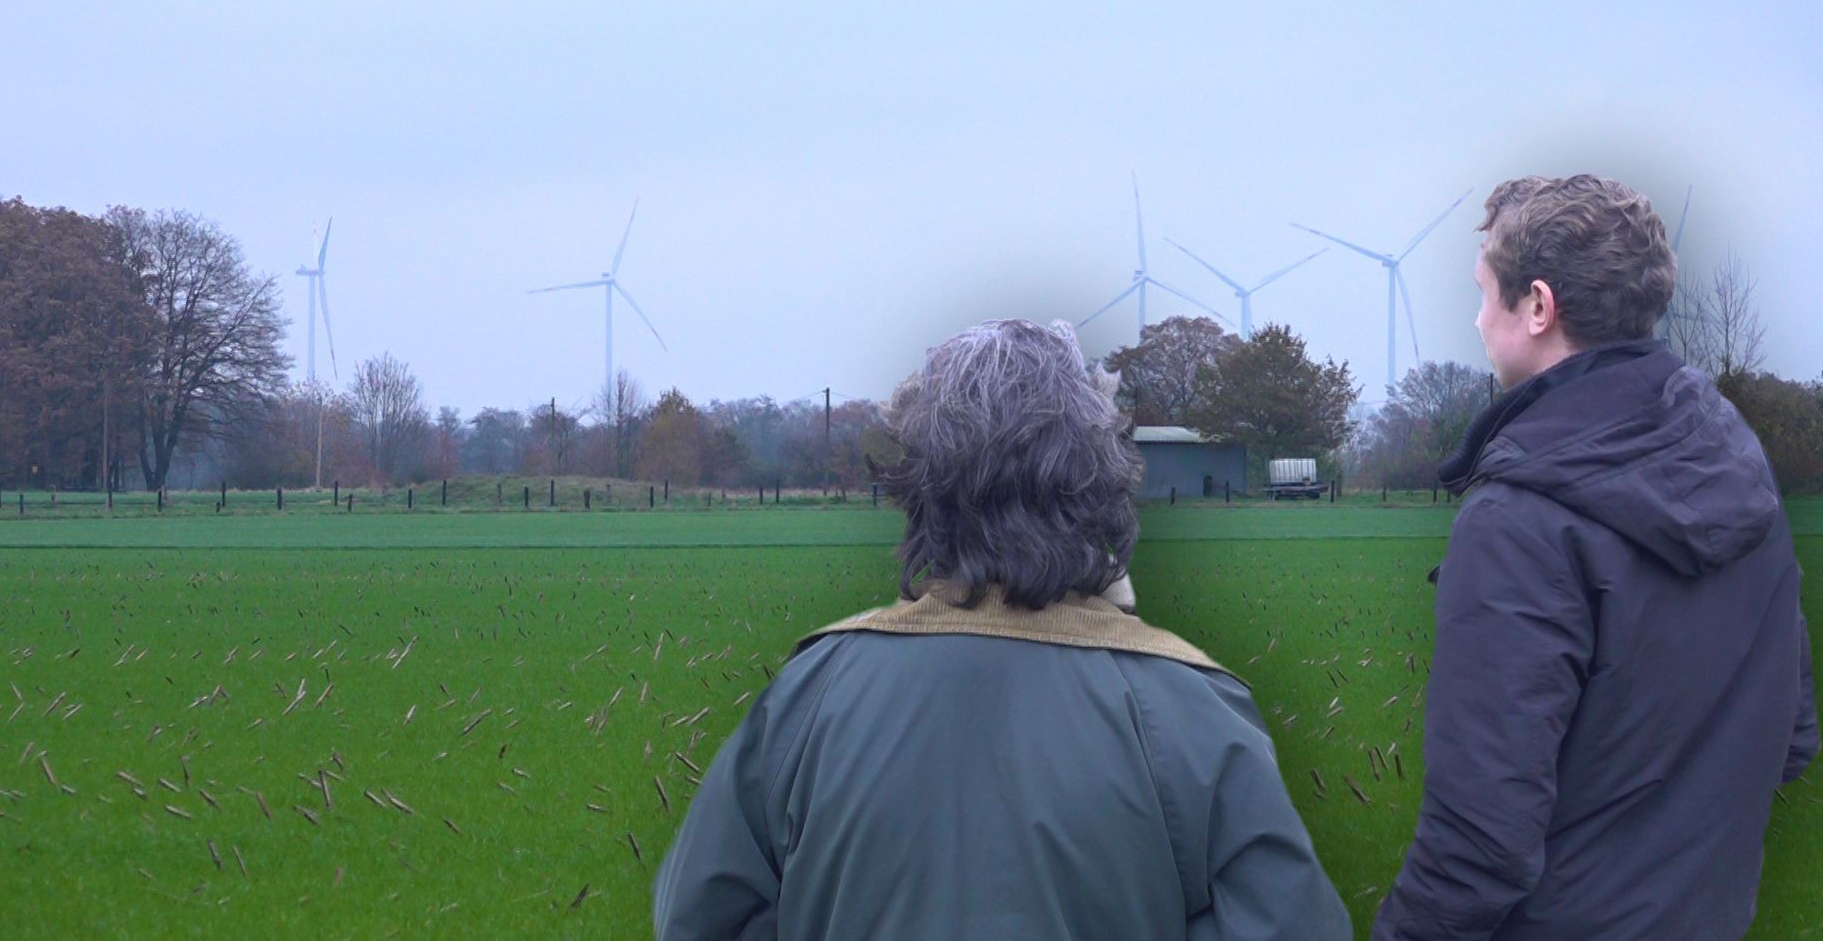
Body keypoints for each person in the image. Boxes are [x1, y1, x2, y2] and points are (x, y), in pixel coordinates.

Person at [655, 318, 1349, 939]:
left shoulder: (808, 699)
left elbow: (701, 914)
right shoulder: (1193, 710)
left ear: (920, 492)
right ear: (1101, 484)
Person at [1374, 175, 1819, 940]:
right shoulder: (1738, 470)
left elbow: (1476, 844)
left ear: (1538, 307)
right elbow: (1792, 738)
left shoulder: (1520, 519)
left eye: (1485, 295)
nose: (1478, 321)